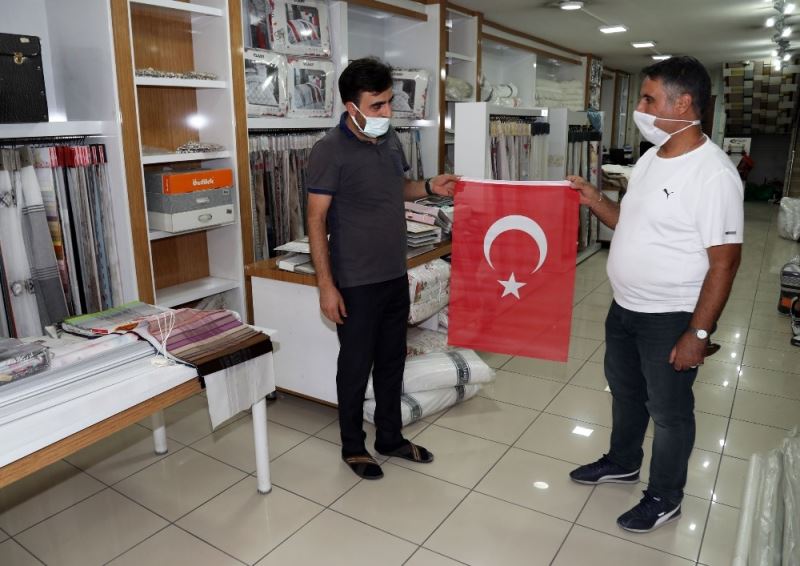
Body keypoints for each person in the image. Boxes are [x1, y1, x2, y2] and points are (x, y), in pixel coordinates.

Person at [568, 56, 743, 533]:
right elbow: (629, 222)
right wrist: (595, 200)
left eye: (648, 99)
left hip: (670, 316)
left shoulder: (713, 174)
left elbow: (725, 262)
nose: (639, 109)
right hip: (625, 307)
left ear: (683, 104)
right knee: (626, 392)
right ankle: (623, 460)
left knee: (669, 412)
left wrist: (698, 333)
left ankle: (665, 496)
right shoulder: (650, 159)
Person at [306, 57, 458, 480]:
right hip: (355, 280)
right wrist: (326, 285)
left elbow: (398, 188)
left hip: (394, 272)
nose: (387, 112)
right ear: (351, 106)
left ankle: (390, 437)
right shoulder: (328, 151)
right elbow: (316, 219)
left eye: (389, 102)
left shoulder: (389, 139)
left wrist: (428, 186)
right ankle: (353, 446)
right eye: (377, 105)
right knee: (356, 366)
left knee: (392, 361)